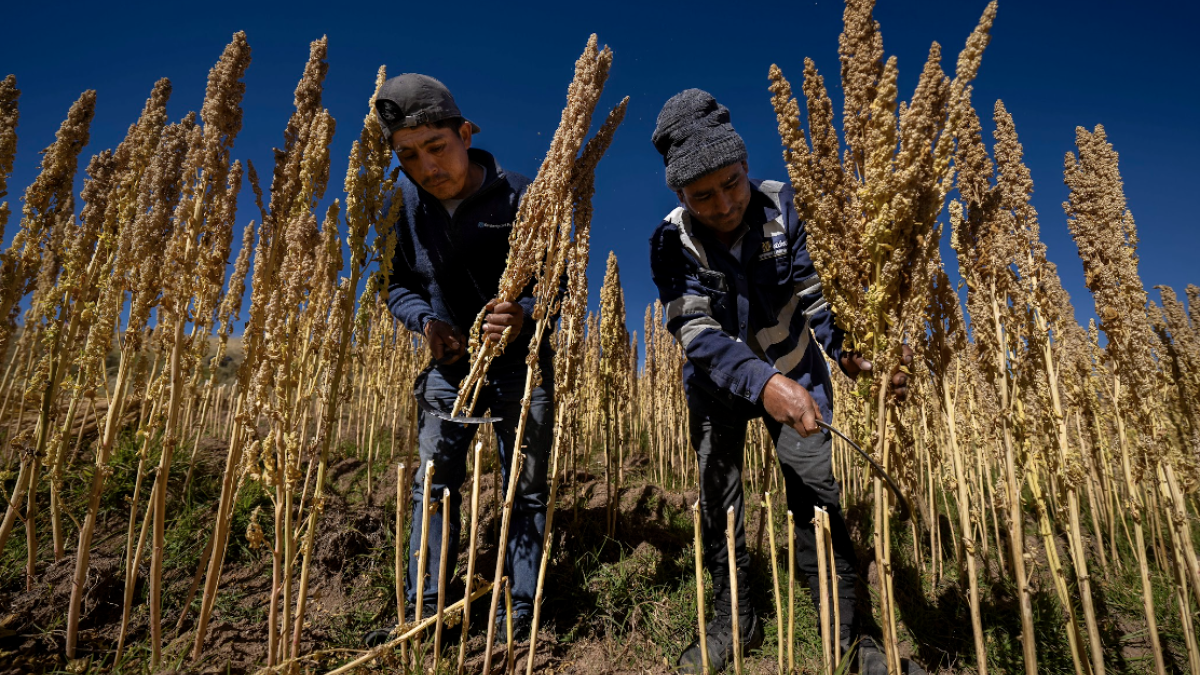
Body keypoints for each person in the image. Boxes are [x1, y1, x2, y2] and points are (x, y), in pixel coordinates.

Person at [648, 89, 918, 675]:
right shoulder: (670, 241)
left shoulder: (784, 208)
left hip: (797, 372)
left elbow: (819, 295)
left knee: (816, 497)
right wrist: (762, 383)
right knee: (719, 504)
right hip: (719, 389)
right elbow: (694, 331)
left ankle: (850, 636)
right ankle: (731, 621)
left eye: (733, 183)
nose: (723, 204)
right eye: (703, 195)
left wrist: (854, 356)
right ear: (679, 193)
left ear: (746, 168)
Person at [365, 73, 553, 646]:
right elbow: (396, 284)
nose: (427, 167)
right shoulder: (399, 206)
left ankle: (519, 614)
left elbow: (558, 281)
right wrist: (425, 322)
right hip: (449, 371)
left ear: (466, 133)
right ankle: (423, 612)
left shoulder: (522, 195)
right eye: (409, 156)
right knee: (433, 485)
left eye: (437, 148)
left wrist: (522, 311)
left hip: (521, 370)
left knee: (525, 488)